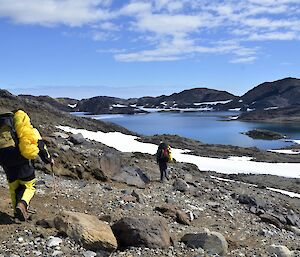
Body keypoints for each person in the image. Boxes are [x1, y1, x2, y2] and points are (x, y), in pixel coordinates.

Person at [0, 110, 53, 221]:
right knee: (29, 186)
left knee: (13, 187)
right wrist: (48, 160)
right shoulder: (25, 128)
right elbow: (40, 145)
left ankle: (16, 213)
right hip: (22, 160)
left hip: (5, 161)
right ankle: (23, 204)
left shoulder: (3, 130)